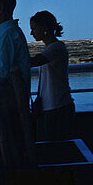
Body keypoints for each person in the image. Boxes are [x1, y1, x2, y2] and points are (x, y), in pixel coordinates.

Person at [29, 10, 75, 141]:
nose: (32, 33)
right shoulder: (51, 49)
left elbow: (34, 61)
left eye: (34, 28)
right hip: (51, 106)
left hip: (57, 106)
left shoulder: (56, 48)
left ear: (44, 28)